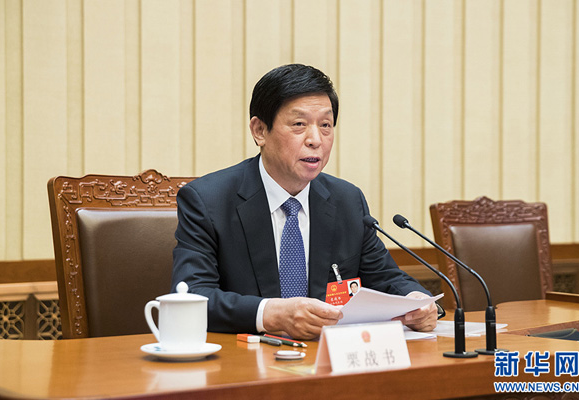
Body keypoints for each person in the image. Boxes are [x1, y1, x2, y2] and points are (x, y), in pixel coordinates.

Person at [171, 64, 439, 340]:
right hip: (244, 356)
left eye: (325, 125)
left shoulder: (347, 201)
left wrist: (417, 301)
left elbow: (387, 278)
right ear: (260, 130)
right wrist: (272, 314)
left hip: (328, 356)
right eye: (299, 124)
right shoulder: (208, 200)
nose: (315, 140)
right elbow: (191, 295)